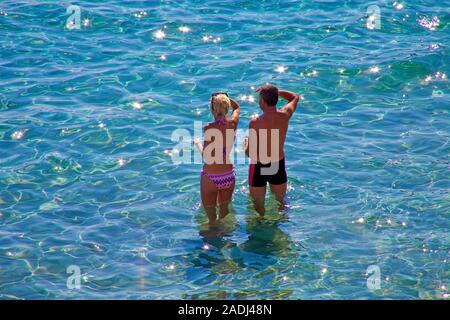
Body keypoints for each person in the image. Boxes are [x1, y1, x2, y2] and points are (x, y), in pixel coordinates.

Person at [244, 84, 300, 216]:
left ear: (262, 101)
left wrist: (245, 144)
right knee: (281, 203)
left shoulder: (255, 122)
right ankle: (281, 227)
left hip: (259, 165)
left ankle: (260, 227)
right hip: (277, 163)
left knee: (258, 205)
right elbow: (295, 97)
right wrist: (275, 92)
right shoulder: (285, 115)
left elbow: (249, 152)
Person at [194, 92, 240, 224]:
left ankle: (213, 236)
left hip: (211, 177)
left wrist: (198, 144)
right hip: (228, 176)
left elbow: (207, 156)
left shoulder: (209, 128)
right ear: (227, 107)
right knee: (224, 213)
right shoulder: (233, 123)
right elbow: (237, 108)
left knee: (211, 220)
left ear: (212, 109)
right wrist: (225, 99)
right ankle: (225, 234)